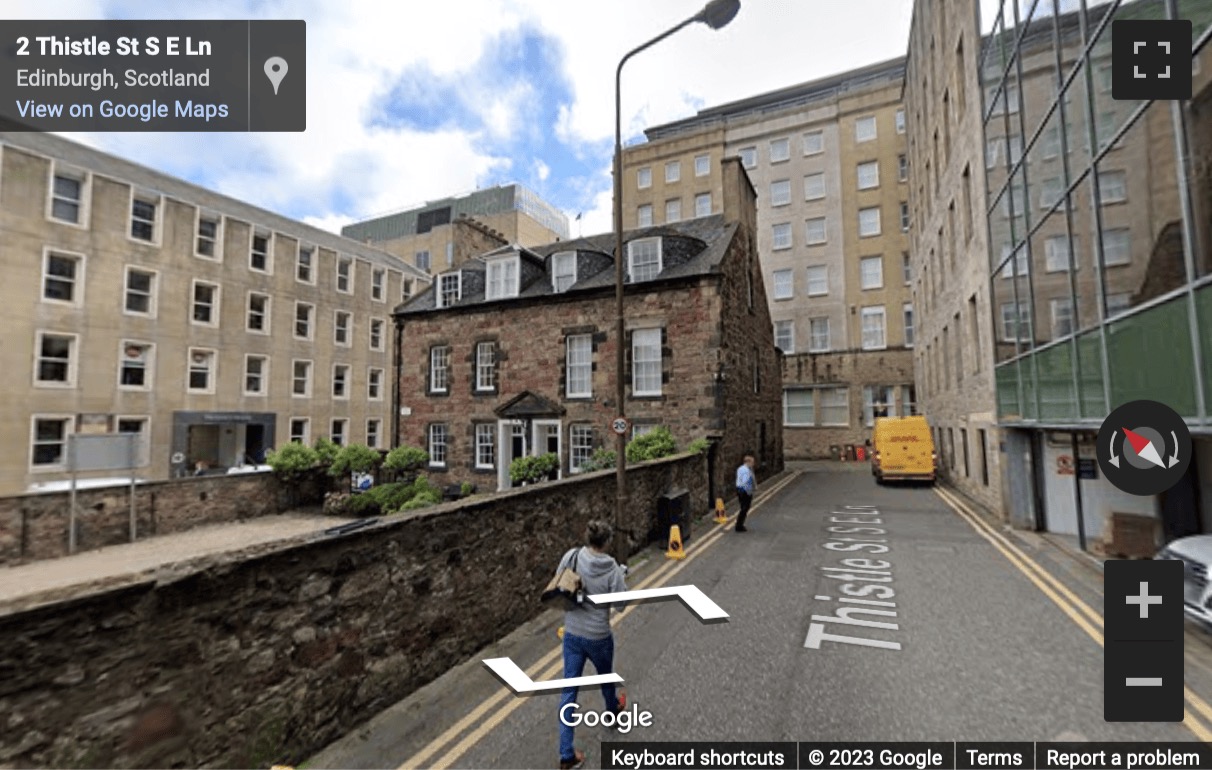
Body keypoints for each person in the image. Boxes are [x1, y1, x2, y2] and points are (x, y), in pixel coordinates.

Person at [555, 519, 628, 770]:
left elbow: (559, 582)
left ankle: (566, 755)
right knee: (606, 678)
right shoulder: (613, 569)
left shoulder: (572, 556)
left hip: (573, 633)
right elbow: (621, 605)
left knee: (569, 692)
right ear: (607, 542)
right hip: (598, 636)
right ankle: (612, 711)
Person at [735, 453, 756, 532]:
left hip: (739, 489)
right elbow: (745, 482)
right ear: (748, 462)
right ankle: (739, 526)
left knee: (743, 508)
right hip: (745, 491)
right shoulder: (746, 470)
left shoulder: (740, 468)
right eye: (752, 462)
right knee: (744, 508)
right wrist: (749, 492)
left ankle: (740, 524)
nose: (753, 464)